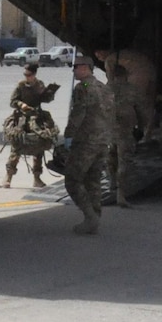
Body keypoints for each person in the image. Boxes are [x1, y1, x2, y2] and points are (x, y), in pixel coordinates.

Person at [62, 54, 110, 235]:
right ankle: (95, 218)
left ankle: (90, 217)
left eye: (75, 67)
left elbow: (78, 114)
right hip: (103, 140)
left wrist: (69, 136)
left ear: (85, 67)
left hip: (86, 141)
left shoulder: (84, 88)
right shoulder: (105, 88)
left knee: (73, 179)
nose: (73, 70)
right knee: (93, 180)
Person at [2, 62, 58, 188]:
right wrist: (21, 105)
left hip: (37, 118)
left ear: (34, 74)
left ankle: (37, 178)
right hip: (22, 118)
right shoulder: (20, 86)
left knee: (39, 148)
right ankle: (8, 176)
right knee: (17, 146)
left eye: (29, 74)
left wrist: (49, 93)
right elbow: (12, 101)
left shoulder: (40, 85)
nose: (27, 77)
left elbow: (45, 99)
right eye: (25, 74)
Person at [103, 54, 140, 206]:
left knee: (111, 159)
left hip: (109, 130)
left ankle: (111, 183)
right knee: (124, 161)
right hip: (125, 130)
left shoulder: (106, 89)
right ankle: (121, 194)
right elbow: (140, 108)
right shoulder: (132, 89)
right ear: (125, 75)